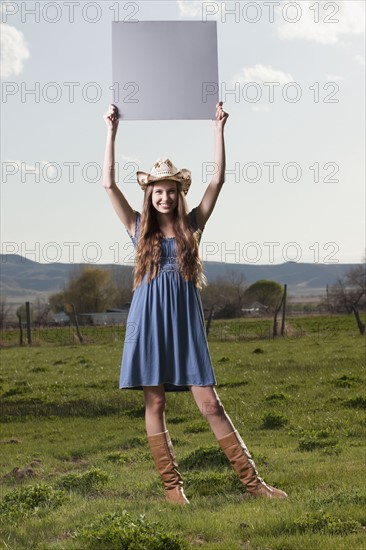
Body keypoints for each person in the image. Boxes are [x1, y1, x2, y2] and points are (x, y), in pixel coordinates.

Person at [102, 103, 287, 504]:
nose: (164, 197)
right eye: (157, 191)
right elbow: (107, 185)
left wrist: (218, 128)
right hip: (147, 323)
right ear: (149, 195)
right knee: (155, 399)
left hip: (184, 325)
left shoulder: (192, 227)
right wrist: (111, 132)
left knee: (210, 403)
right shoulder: (136, 227)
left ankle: (255, 484)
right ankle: (173, 490)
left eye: (170, 190)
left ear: (178, 194)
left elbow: (217, 180)